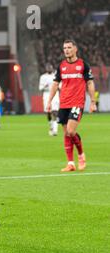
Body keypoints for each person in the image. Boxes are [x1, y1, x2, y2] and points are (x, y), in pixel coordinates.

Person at [46, 39, 96, 172]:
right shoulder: (61, 66)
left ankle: (81, 155)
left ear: (75, 49)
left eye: (69, 47)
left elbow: (90, 83)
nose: (66, 50)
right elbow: (55, 84)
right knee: (66, 134)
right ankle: (70, 163)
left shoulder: (83, 65)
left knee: (71, 131)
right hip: (64, 103)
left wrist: (92, 102)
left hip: (77, 103)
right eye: (64, 48)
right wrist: (49, 101)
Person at [39, 63, 60, 136]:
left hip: (55, 94)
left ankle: (55, 130)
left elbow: (60, 86)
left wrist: (57, 87)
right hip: (46, 94)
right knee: (48, 112)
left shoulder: (56, 76)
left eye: (50, 67)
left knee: (55, 111)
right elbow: (40, 88)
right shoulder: (43, 77)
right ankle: (51, 126)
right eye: (48, 68)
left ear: (52, 68)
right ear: (46, 69)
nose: (49, 69)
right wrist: (45, 85)